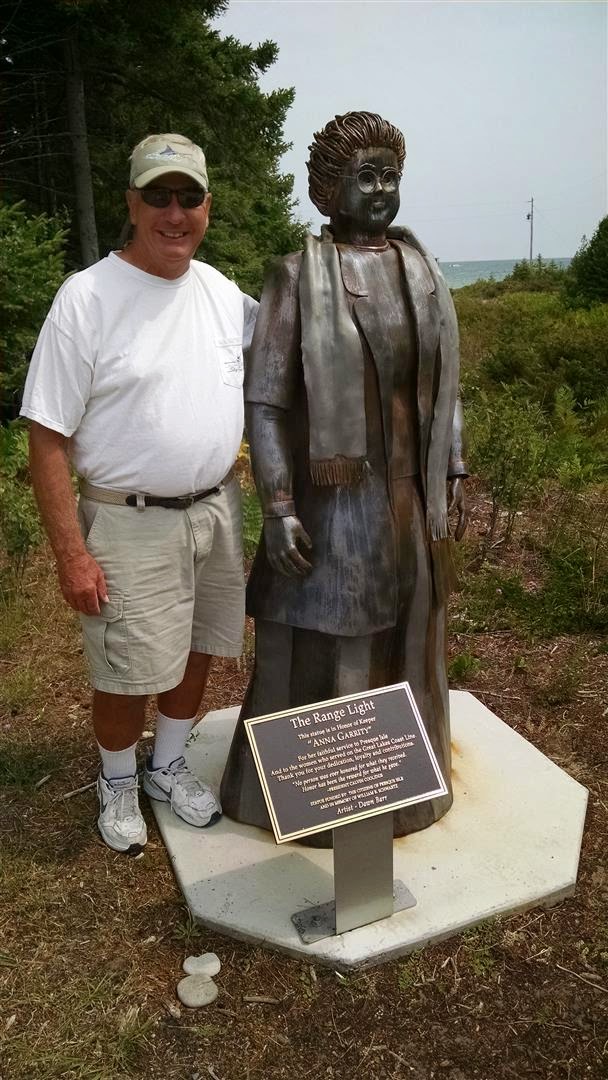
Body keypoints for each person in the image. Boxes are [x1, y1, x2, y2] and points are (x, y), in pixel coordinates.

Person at [220, 111, 468, 844]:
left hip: (412, 499)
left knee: (413, 637)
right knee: (334, 644)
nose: (381, 189)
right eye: (366, 176)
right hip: (335, 504)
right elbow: (266, 403)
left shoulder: (422, 271)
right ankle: (318, 804)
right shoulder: (297, 277)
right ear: (328, 190)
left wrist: (453, 468)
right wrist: (279, 506)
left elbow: (442, 388)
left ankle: (408, 790)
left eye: (391, 175)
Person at [21, 133, 257, 855]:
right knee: (125, 669)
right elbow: (46, 437)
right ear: (131, 203)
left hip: (216, 510)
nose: (174, 213)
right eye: (158, 196)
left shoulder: (222, 294)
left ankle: (167, 765)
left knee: (200, 648)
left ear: (207, 207)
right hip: (128, 520)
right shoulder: (87, 298)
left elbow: (297, 348)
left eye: (189, 197)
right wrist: (71, 555)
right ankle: (118, 778)